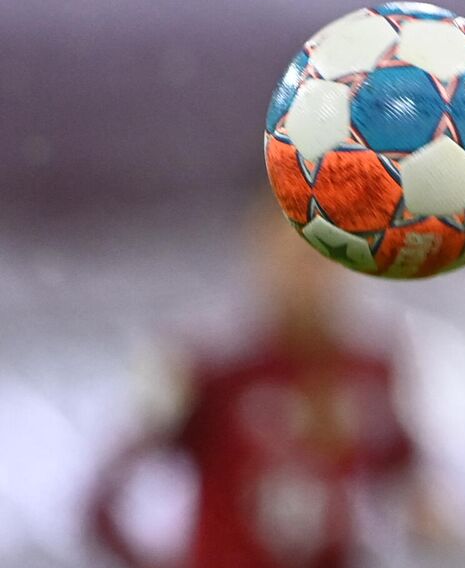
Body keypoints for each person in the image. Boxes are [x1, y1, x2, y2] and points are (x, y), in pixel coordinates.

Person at [89, 205, 444, 568]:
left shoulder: (370, 367)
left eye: (324, 259)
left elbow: (404, 472)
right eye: (294, 260)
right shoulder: (210, 367)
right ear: (261, 260)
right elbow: (105, 497)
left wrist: (426, 516)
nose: (310, 278)